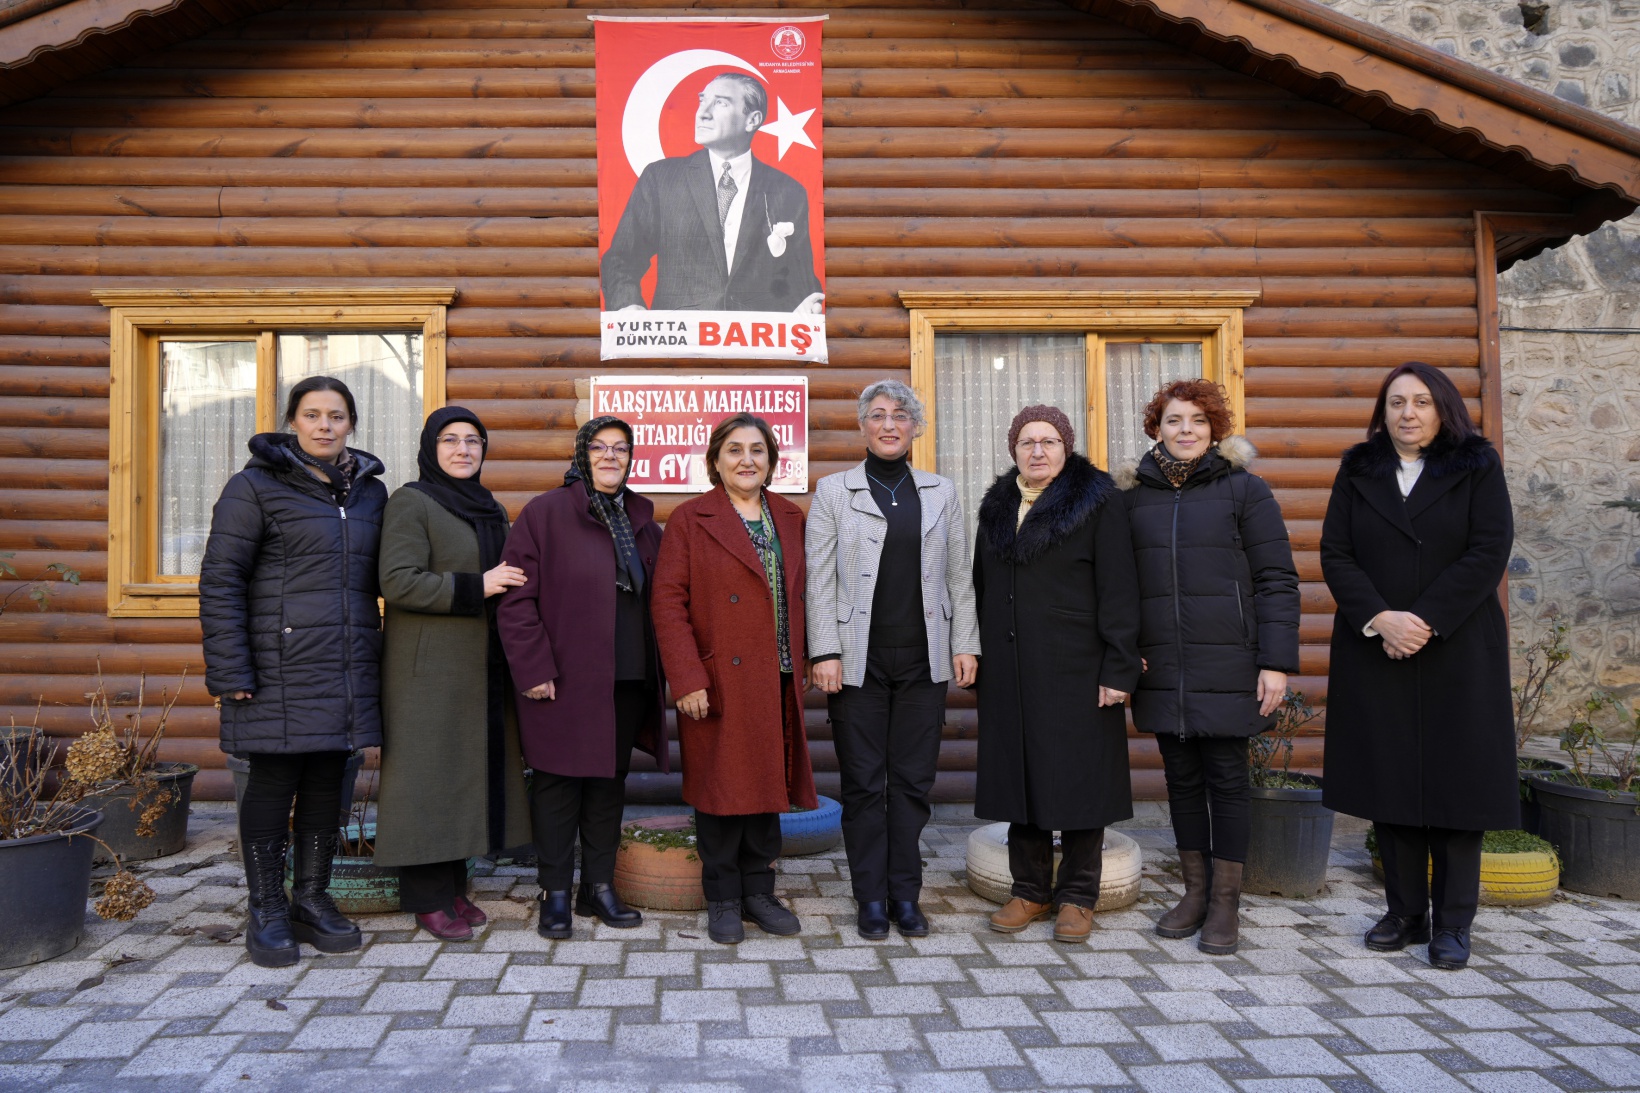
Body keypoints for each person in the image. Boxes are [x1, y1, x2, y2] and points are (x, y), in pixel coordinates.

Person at [1321, 361, 1515, 971]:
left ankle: (1453, 925)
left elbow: (1490, 548)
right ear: (1382, 412)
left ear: (1443, 410)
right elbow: (1336, 552)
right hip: (1376, 646)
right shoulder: (1359, 470)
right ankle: (1404, 913)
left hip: (1457, 645)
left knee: (1459, 785)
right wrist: (1382, 619)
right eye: (1397, 402)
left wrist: (1422, 620)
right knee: (1392, 779)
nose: (1408, 413)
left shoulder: (1476, 466)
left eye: (1421, 402)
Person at [200, 375, 386, 968]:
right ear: (293, 421)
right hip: (274, 666)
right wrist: (230, 669)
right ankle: (266, 908)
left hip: (345, 666)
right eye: (313, 415)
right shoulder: (253, 487)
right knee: (272, 783)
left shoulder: (369, 495)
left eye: (336, 415)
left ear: (351, 424)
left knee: (328, 784)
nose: (325, 425)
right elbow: (221, 580)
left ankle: (309, 897)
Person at [1116, 380, 1300, 956]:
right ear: (1157, 428)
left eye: (1198, 420)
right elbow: (1114, 588)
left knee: (1226, 778)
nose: (1186, 430)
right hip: (1161, 663)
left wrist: (1274, 661)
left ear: (1214, 429)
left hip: (1231, 660)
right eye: (1174, 420)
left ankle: (1225, 903)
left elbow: (1277, 580)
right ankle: (1194, 893)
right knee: (1182, 781)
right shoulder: (1130, 497)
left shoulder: (1246, 491)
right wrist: (1124, 652)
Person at [806, 379, 980, 940]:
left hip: (924, 662)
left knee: (909, 783)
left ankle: (904, 895)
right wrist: (824, 650)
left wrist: (965, 643)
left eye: (900, 415)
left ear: (916, 427)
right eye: (877, 415)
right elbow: (819, 579)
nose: (888, 424)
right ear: (862, 426)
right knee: (862, 782)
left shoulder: (942, 492)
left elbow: (959, 575)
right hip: (857, 662)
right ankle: (869, 900)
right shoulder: (835, 491)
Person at [972, 405, 1141, 944]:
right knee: (1021, 777)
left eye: (1048, 441)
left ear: (1066, 448)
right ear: (1013, 450)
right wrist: (974, 650)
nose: (1037, 450)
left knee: (1080, 780)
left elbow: (1120, 589)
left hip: (1078, 665)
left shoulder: (1098, 502)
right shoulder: (997, 506)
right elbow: (981, 585)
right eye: (1027, 442)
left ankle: (1077, 897)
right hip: (1011, 666)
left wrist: (1119, 666)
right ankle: (1030, 890)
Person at [497, 416, 669, 940]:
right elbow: (516, 600)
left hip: (626, 677)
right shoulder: (545, 514)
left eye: (621, 449)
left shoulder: (643, 521)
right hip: (563, 678)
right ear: (581, 453)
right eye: (599, 447)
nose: (611, 457)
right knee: (556, 787)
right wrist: (532, 669)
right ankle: (554, 894)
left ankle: (598, 889)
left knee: (606, 787)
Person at [652, 413, 818, 944]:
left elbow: (803, 595)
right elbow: (667, 602)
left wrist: (813, 657)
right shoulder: (690, 518)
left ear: (771, 460)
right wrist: (687, 678)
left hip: (779, 673)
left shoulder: (790, 516)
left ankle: (758, 892)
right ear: (716, 461)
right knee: (723, 791)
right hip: (718, 678)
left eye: (757, 450)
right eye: (734, 450)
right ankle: (721, 897)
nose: (747, 460)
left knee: (767, 786)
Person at [374, 407, 532, 941]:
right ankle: (426, 897)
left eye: (473, 441)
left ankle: (454, 887)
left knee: (466, 779)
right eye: (450, 440)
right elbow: (397, 581)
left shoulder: (490, 509)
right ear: (430, 448)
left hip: (481, 667)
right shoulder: (412, 502)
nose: (463, 450)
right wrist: (476, 586)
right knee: (427, 781)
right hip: (427, 671)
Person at [600, 73, 823, 315]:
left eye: (720, 103)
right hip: (678, 345)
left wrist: (806, 304)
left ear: (752, 120)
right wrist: (628, 307)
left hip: (753, 346)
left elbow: (799, 278)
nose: (702, 113)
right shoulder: (661, 178)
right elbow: (620, 260)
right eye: (702, 101)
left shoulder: (789, 191)